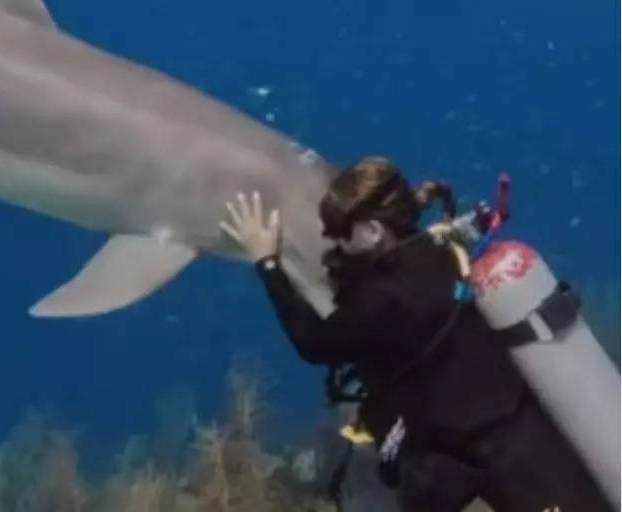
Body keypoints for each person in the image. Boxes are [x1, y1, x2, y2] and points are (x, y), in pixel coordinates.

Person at [219, 156, 610, 512]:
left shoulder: (381, 301)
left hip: (467, 462)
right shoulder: (439, 247)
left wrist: (267, 262)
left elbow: (314, 342)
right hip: (533, 432)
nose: (335, 244)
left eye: (340, 232)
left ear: (373, 231)